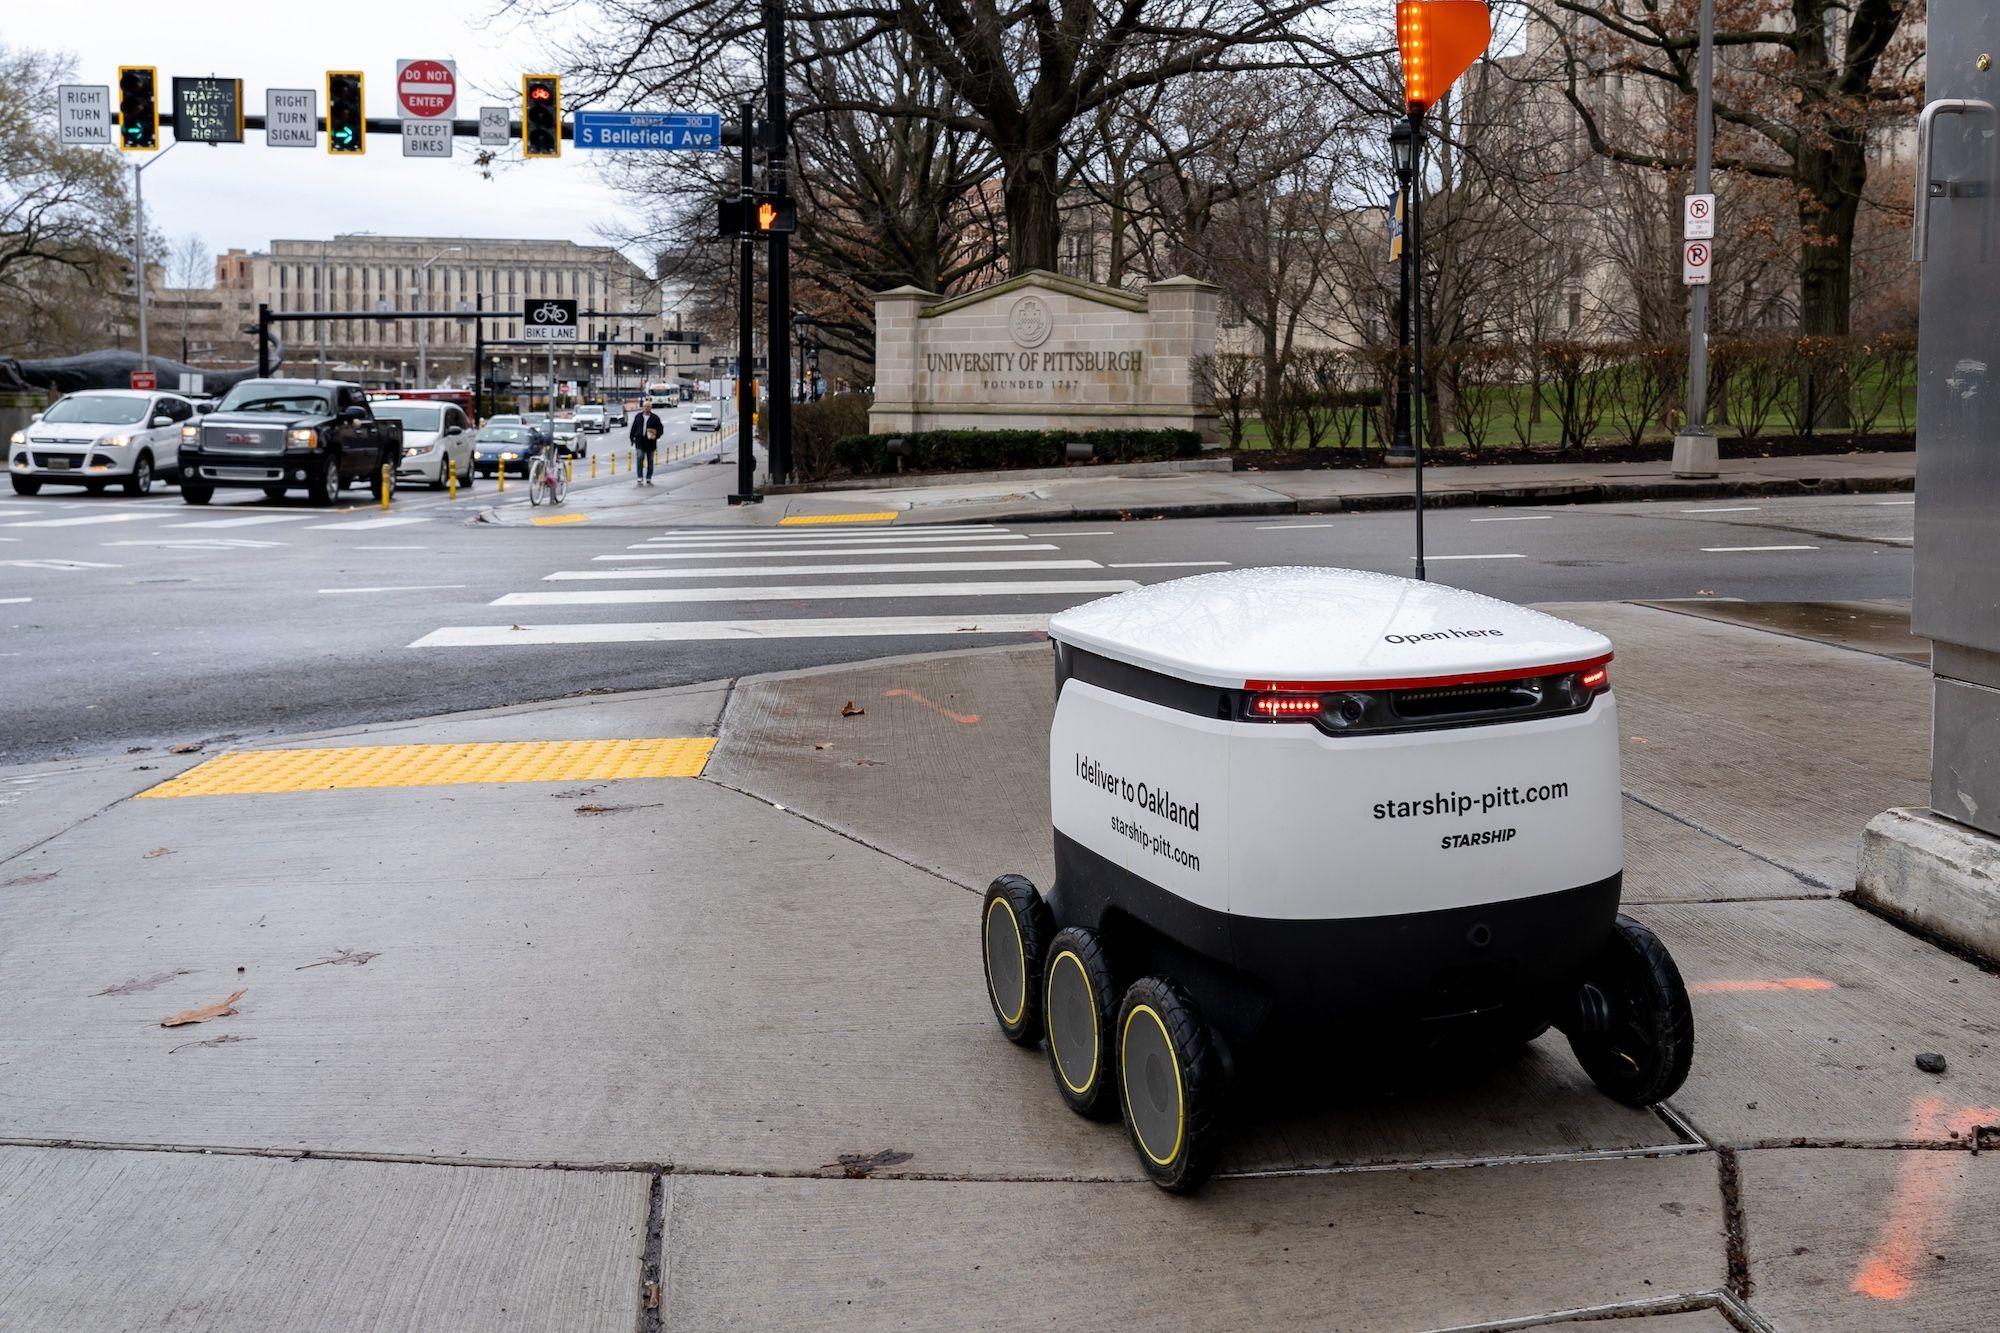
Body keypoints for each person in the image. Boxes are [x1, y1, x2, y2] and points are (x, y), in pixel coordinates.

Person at [629, 403, 662, 485]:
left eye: (648, 407)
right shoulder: (638, 416)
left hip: (651, 442)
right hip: (640, 442)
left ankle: (648, 477)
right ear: (642, 407)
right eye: (645, 406)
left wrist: (656, 436)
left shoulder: (655, 418)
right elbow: (634, 428)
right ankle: (639, 476)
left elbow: (660, 429)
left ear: (650, 408)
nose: (646, 408)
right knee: (640, 457)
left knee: (650, 460)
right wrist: (632, 438)